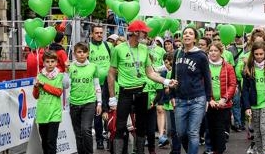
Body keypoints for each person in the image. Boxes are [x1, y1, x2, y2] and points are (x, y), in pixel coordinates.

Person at [108, 20, 177, 154]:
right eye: (144, 32)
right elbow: (111, 74)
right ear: (135, 32)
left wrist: (167, 81)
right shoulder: (118, 49)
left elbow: (150, 73)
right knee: (120, 127)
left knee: (141, 127)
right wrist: (112, 97)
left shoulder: (144, 48)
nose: (146, 34)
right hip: (125, 92)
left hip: (142, 91)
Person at [169, 26, 212, 154]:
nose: (187, 35)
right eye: (185, 33)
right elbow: (173, 76)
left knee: (193, 133)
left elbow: (207, 77)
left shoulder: (201, 56)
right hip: (180, 100)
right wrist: (172, 95)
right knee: (181, 133)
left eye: (190, 33)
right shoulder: (177, 53)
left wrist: (208, 99)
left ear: (195, 38)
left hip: (197, 99)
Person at [242, 41, 265, 154]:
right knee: (257, 132)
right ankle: (260, 151)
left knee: (264, 129)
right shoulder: (249, 68)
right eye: (256, 54)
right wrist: (247, 107)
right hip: (254, 103)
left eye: (261, 54)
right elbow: (245, 90)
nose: (259, 56)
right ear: (253, 54)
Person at [68, 42, 102, 154]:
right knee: (78, 133)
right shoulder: (70, 67)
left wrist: (99, 103)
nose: (82, 54)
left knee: (85, 129)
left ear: (88, 53)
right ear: (74, 54)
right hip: (74, 103)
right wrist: (64, 71)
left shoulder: (93, 67)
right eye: (79, 52)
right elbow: (65, 85)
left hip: (89, 102)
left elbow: (97, 85)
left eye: (84, 52)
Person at [33, 50, 70, 154]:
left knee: (51, 141)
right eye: (47, 61)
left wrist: (43, 85)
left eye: (52, 61)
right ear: (43, 63)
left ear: (56, 62)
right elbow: (36, 96)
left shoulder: (60, 76)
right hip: (42, 114)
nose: (50, 64)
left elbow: (58, 92)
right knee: (44, 142)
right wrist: (36, 87)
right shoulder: (39, 76)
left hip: (54, 113)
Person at [206, 42, 237, 154]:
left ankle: (219, 150)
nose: (213, 53)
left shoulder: (228, 67)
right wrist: (209, 99)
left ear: (221, 52)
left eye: (216, 51)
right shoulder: (205, 66)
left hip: (224, 104)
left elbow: (232, 84)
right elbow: (201, 83)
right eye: (211, 51)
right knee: (211, 129)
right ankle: (215, 149)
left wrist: (224, 99)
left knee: (220, 128)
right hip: (210, 103)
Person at [89, 25, 111, 150]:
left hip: (108, 85)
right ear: (92, 34)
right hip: (94, 85)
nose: (99, 35)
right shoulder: (88, 46)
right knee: (97, 114)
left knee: (108, 112)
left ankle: (109, 138)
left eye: (101, 32)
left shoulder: (108, 46)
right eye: (96, 32)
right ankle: (99, 140)